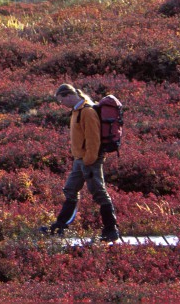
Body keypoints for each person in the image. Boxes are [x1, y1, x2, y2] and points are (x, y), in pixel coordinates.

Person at [40, 83, 120, 242]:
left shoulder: (87, 111)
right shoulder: (77, 111)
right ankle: (60, 226)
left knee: (99, 192)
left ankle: (111, 230)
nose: (61, 104)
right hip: (80, 160)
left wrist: (89, 160)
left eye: (61, 101)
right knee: (70, 189)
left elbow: (93, 139)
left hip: (89, 160)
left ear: (68, 96)